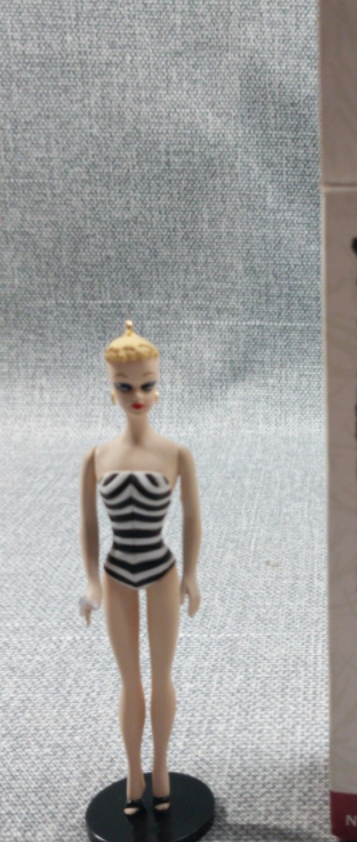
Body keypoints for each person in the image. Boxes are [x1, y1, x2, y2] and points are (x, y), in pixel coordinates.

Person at [79, 321, 201, 816]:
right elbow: (89, 523)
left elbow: (192, 518)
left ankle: (162, 766)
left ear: (158, 386)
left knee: (161, 676)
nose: (137, 395)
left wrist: (191, 574)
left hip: (161, 569)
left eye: (147, 384)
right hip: (116, 574)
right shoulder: (97, 456)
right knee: (130, 680)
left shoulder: (175, 454)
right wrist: (91, 581)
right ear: (112, 389)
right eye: (125, 386)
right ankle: (134, 771)